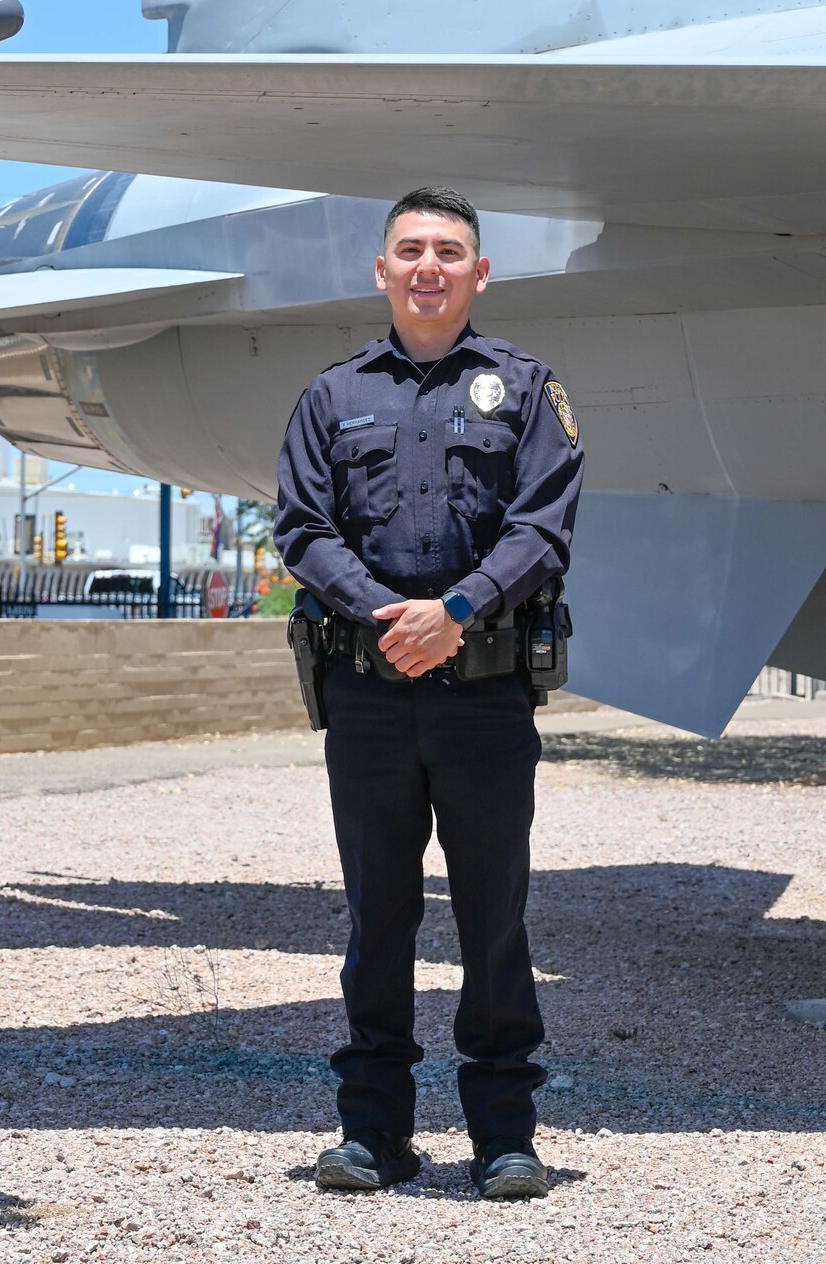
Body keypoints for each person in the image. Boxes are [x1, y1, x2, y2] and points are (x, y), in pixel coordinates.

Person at [274, 185, 584, 1202]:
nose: (427, 265)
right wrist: (385, 618)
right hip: (368, 696)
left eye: (447, 250)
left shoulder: (525, 389)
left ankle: (504, 1135)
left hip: (484, 697)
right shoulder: (330, 395)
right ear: (380, 270)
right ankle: (373, 1135)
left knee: (493, 913)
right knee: (378, 914)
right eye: (409, 248)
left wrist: (452, 609)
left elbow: (540, 527)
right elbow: (302, 530)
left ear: (477, 272)